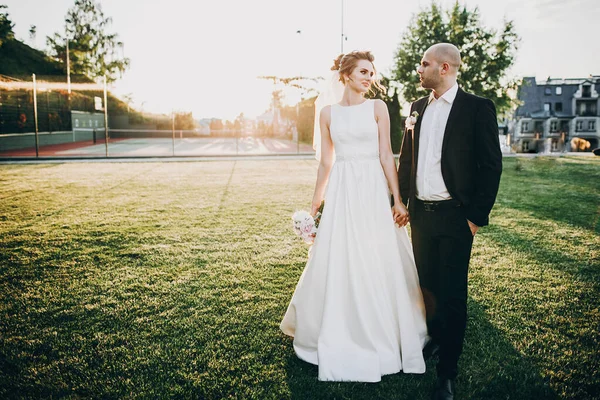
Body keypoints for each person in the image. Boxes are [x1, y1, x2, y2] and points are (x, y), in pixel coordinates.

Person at [280, 51, 428, 382]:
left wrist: (397, 200)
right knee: (340, 253)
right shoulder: (328, 113)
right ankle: (338, 326)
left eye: (371, 73)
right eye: (363, 71)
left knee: (376, 251)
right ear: (345, 75)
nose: (369, 77)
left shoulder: (377, 109)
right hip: (344, 189)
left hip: (372, 189)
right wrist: (316, 203)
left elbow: (386, 157)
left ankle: (385, 329)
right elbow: (326, 162)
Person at [398, 43, 503, 400]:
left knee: (453, 292)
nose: (419, 68)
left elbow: (491, 166)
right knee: (427, 287)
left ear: (444, 68)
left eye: (424, 63)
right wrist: (399, 201)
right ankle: (435, 340)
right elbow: (406, 161)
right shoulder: (416, 108)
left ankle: (447, 374)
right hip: (420, 218)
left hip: (456, 218)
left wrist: (474, 218)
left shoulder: (477, 108)